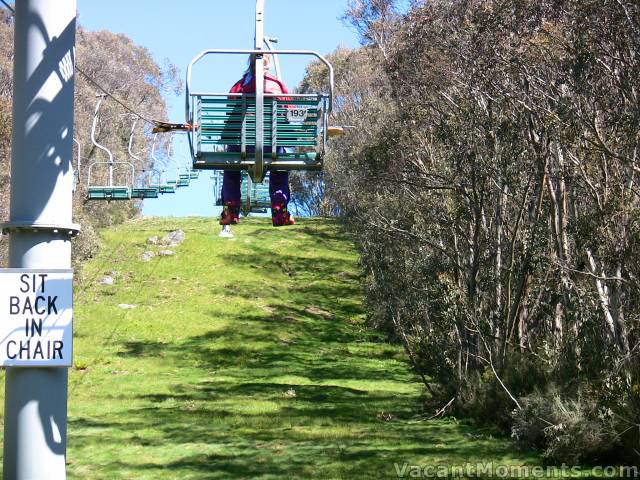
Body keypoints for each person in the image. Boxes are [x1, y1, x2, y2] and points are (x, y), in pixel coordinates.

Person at [220, 54, 295, 229]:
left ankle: (231, 210)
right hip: (271, 145)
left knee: (231, 167)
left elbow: (230, 111)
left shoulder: (239, 86)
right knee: (280, 166)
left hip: (242, 146)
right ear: (266, 66)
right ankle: (279, 211)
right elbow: (289, 111)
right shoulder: (277, 85)